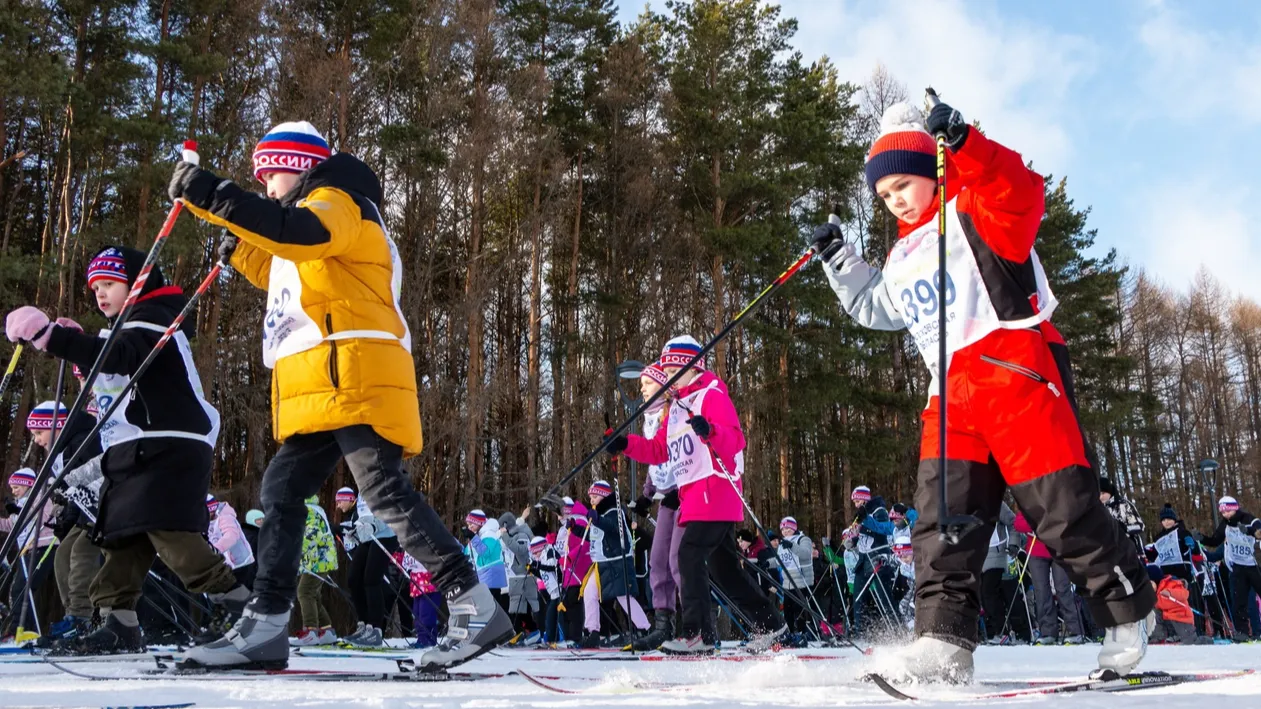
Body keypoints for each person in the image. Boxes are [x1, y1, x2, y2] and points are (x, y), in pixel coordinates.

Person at [811, 99, 1155, 680]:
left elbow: (1020, 192)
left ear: (932, 170)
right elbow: (876, 305)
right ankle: (944, 641)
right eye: (884, 191)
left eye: (903, 183)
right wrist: (839, 261)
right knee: (942, 519)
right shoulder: (900, 255)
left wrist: (968, 144)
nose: (894, 197)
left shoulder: (975, 212)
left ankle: (1126, 613)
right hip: (949, 397)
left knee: (1061, 510)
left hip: (1014, 370)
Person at [170, 121, 510, 670]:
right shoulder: (314, 214)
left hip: (355, 371)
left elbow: (297, 233)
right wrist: (236, 244)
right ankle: (267, 622)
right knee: (280, 489)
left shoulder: (338, 201)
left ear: (300, 165)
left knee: (381, 489)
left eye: (271, 172)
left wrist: (214, 195)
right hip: (322, 382)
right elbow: (288, 268)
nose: (266, 185)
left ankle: (472, 602)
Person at [6, 245, 249, 655]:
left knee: (167, 530)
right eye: (95, 286)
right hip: (133, 447)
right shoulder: (125, 326)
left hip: (169, 442)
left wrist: (55, 338)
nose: (100, 294)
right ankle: (117, 623)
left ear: (136, 283)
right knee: (121, 538)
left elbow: (119, 359)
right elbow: (115, 379)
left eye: (110, 284)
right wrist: (77, 344)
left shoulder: (154, 318)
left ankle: (238, 607)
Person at [605, 335, 785, 654]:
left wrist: (710, 431)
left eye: (674, 369)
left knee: (687, 556)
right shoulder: (676, 407)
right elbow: (660, 449)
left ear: (691, 367)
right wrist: (625, 444)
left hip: (716, 491)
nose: (670, 377)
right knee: (724, 570)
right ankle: (772, 626)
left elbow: (734, 440)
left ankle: (697, 634)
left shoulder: (710, 395)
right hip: (695, 498)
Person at [629, 362, 683, 651]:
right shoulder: (650, 420)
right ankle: (664, 624)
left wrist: (679, 488)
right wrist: (647, 495)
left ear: (662, 386)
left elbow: (682, 456)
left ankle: (696, 625)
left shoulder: (674, 414)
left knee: (679, 561)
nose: (642, 390)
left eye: (646, 384)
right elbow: (655, 462)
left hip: (685, 495)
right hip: (666, 498)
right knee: (658, 561)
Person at [574, 480, 648, 647]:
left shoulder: (614, 510)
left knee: (624, 597)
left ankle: (644, 629)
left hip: (616, 561)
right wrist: (575, 528)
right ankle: (593, 631)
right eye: (590, 497)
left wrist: (597, 519)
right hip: (600, 563)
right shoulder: (597, 513)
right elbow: (592, 535)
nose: (591, 500)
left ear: (603, 496)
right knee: (589, 592)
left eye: (594, 497)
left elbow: (613, 528)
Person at [0, 465, 57, 639]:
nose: (14, 491)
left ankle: (24, 630)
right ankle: (23, 630)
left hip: (43, 546)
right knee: (20, 589)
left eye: (16, 487)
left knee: (22, 588)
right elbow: (11, 525)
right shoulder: (22, 503)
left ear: (27, 485)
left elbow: (45, 516)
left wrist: (19, 511)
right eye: (12, 488)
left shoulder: (39, 496)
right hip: (28, 550)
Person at [1013, 511, 1085, 645]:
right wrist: (1035, 525)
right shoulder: (1029, 497)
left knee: (1062, 588)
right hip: (1036, 550)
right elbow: (1018, 523)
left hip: (1058, 548)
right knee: (1041, 591)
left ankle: (1075, 630)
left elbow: (1065, 516)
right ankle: (1048, 631)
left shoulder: (1055, 493)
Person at [1197, 496, 1261, 640]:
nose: (1225, 514)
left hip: (1253, 565)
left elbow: (1258, 528)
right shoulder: (1225, 524)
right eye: (1223, 512)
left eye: (1228, 511)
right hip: (1237, 567)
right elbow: (1215, 541)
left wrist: (1250, 530)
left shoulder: (1246, 518)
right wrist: (1202, 538)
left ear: (1234, 508)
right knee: (1239, 602)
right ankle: (1242, 633)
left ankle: (1257, 631)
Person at [292, 494, 338, 646]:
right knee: (313, 595)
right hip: (317, 560)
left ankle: (311, 631)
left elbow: (312, 534)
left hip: (319, 560)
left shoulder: (309, 511)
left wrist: (297, 549)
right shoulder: (313, 510)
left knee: (304, 592)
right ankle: (327, 630)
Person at [849, 485, 895, 634]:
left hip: (877, 556)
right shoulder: (861, 513)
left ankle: (896, 630)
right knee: (858, 597)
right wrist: (854, 539)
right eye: (854, 502)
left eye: (857, 501)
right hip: (863, 559)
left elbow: (884, 531)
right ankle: (859, 632)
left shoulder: (879, 510)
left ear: (864, 499)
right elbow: (863, 534)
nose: (856, 504)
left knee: (884, 596)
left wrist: (864, 527)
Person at [980, 501, 1018, 643]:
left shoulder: (997, 503)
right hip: (978, 555)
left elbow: (1013, 522)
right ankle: (991, 633)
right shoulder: (968, 501)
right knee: (982, 596)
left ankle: (1001, 631)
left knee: (989, 592)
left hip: (995, 553)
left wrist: (1013, 543)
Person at [555, 497, 591, 646]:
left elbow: (586, 544)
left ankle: (576, 637)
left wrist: (569, 558)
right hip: (568, 570)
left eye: (560, 513)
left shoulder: (579, 522)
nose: (558, 517)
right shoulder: (565, 527)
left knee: (574, 603)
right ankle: (570, 637)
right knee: (567, 604)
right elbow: (562, 546)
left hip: (578, 570)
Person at [497, 510, 538, 635]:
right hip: (513, 576)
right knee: (517, 608)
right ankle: (522, 632)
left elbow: (520, 550)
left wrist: (505, 536)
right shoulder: (512, 534)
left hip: (522, 576)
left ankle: (529, 631)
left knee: (520, 608)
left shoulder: (521, 535)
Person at [206, 493, 257, 590]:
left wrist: (215, 550)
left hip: (241, 563)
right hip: (224, 564)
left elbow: (231, 536)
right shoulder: (204, 520)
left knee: (241, 593)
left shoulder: (225, 516)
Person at [776, 516, 816, 634]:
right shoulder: (782, 543)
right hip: (787, 583)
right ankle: (790, 633)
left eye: (788, 529)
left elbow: (806, 554)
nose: (785, 532)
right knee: (787, 611)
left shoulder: (803, 539)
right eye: (783, 530)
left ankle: (802, 633)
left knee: (799, 610)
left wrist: (792, 546)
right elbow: (779, 560)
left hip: (801, 582)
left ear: (794, 528)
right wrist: (768, 563)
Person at [463, 510, 508, 612]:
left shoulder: (489, 534)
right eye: (468, 525)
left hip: (491, 576)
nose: (469, 527)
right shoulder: (479, 535)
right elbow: (469, 553)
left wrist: (473, 537)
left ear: (479, 523)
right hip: (482, 576)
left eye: (471, 524)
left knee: (491, 608)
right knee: (486, 608)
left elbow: (485, 552)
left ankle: (498, 627)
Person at [399, 552, 442, 648]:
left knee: (426, 613)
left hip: (429, 584)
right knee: (417, 613)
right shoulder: (410, 543)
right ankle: (422, 638)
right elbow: (406, 561)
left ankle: (427, 639)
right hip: (417, 582)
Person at [1147, 566, 1198, 644]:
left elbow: (1183, 594)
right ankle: (1158, 637)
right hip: (1169, 622)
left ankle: (1181, 638)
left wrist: (1170, 593)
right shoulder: (1155, 593)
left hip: (1182, 623)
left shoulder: (1172, 584)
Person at [526, 536, 562, 644]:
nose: (535, 555)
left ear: (541, 548)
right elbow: (545, 575)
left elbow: (553, 567)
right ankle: (551, 640)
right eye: (533, 553)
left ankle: (555, 639)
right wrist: (533, 570)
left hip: (560, 590)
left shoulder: (550, 551)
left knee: (554, 617)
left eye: (536, 552)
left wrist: (538, 565)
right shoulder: (541, 558)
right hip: (552, 593)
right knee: (550, 617)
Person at [1099, 478, 1145, 558]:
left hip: (1130, 551)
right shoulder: (1099, 510)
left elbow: (1140, 526)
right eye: (1098, 494)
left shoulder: (1123, 505)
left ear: (1109, 492)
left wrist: (1123, 528)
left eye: (1103, 493)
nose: (1100, 497)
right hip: (1110, 554)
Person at [1147, 504, 1193, 584]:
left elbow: (1193, 549)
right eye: (1163, 520)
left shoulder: (1182, 532)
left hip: (1182, 572)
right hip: (1165, 573)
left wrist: (1191, 543)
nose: (1166, 522)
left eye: (1168, 519)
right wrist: (1148, 553)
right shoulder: (1158, 537)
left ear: (1174, 519)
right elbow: (1156, 555)